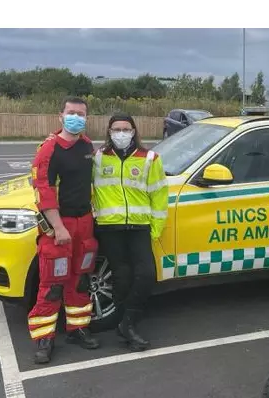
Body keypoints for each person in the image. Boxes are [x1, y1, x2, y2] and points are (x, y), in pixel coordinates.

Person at [28, 96, 101, 364]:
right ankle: (44, 339)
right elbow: (43, 191)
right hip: (59, 226)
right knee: (52, 283)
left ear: (87, 118)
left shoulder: (86, 145)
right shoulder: (48, 149)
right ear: (61, 116)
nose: (76, 117)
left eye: (80, 114)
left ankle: (78, 328)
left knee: (80, 279)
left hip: (84, 223)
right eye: (71, 113)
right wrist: (58, 227)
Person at [92, 113, 168, 351]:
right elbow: (86, 188)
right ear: (109, 132)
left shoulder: (150, 159)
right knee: (121, 277)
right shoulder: (98, 158)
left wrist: (155, 229)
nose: (121, 133)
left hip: (139, 227)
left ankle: (127, 322)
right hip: (109, 227)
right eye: (116, 129)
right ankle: (127, 327)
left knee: (146, 274)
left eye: (126, 129)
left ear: (134, 132)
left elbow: (159, 195)